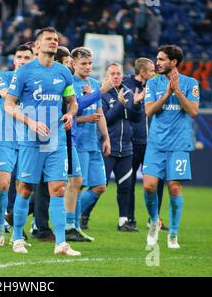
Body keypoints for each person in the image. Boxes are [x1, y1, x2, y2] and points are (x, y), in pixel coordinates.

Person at [4, 27, 80, 256]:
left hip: (55, 140)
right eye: (49, 39)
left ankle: (61, 243)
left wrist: (70, 114)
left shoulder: (64, 73)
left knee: (58, 189)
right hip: (30, 140)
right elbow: (9, 104)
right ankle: (17, 238)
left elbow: (72, 102)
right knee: (25, 189)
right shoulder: (25, 72)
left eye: (56, 39)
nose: (54, 42)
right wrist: (30, 122)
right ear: (37, 45)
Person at [143, 45, 199, 249]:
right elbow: (149, 111)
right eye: (157, 59)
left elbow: (193, 111)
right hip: (156, 144)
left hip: (179, 145)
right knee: (149, 185)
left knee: (174, 187)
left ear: (173, 62)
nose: (157, 62)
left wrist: (178, 92)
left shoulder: (190, 83)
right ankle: (154, 222)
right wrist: (166, 94)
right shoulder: (152, 83)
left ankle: (173, 234)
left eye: (162, 59)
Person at [63, 47, 113, 240]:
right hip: (78, 143)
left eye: (90, 63)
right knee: (76, 185)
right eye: (83, 63)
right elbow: (71, 113)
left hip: (93, 143)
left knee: (100, 186)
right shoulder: (70, 84)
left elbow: (99, 114)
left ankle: (70, 219)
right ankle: (71, 225)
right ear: (73, 64)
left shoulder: (93, 83)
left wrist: (106, 137)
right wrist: (88, 112)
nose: (87, 67)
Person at [0, 45, 33, 246]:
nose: (23, 60)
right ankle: (0, 229)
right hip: (6, 138)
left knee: (22, 188)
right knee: (3, 184)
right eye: (20, 57)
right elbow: (5, 95)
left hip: (28, 140)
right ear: (14, 60)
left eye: (27, 57)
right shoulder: (3, 76)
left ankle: (17, 234)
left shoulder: (36, 82)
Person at [123, 58, 168, 231]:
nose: (154, 73)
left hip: (152, 143)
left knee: (157, 181)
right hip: (133, 142)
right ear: (142, 72)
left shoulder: (155, 86)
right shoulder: (127, 86)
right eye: (151, 70)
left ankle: (154, 218)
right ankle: (129, 219)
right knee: (129, 182)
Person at [100, 63, 143, 232]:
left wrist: (137, 104)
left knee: (125, 186)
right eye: (112, 73)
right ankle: (82, 216)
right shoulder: (102, 94)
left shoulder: (129, 92)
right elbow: (107, 119)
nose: (116, 76)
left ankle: (123, 221)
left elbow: (136, 119)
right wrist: (120, 104)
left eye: (119, 73)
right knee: (99, 186)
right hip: (107, 147)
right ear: (106, 76)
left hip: (126, 148)